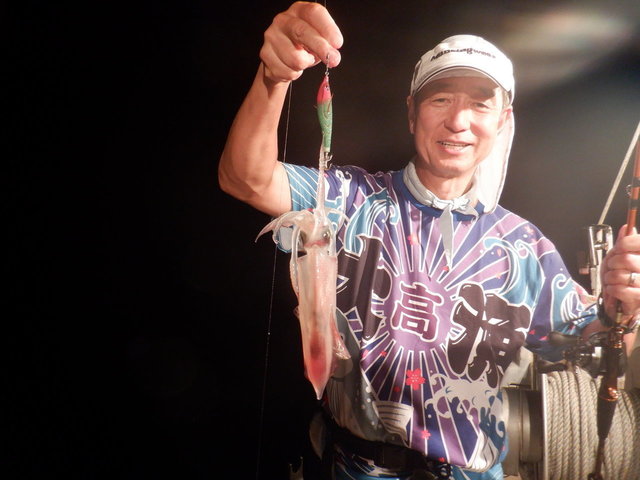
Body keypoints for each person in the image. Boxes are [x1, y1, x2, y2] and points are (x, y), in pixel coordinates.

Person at [218, 2, 640, 479]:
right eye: (440, 99)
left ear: (502, 121)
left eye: (480, 103)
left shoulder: (526, 248)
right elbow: (245, 178)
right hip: (355, 469)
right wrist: (274, 77)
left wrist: (622, 309)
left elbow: (597, 350)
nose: (458, 121)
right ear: (412, 112)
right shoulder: (348, 200)